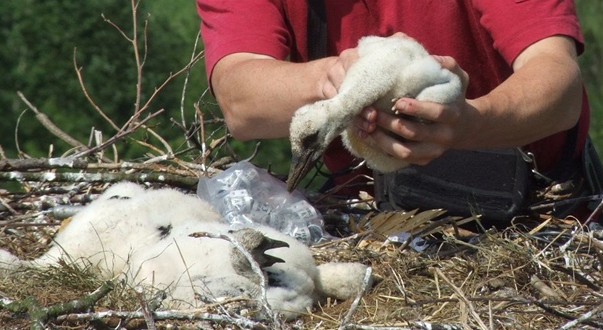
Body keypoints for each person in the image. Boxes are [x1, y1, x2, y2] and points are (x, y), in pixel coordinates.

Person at [196, 1, 594, 222]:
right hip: (368, 229)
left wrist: (471, 123)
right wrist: (337, 82)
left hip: (541, 226)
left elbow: (559, 82)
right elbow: (240, 99)